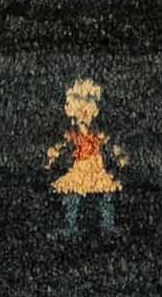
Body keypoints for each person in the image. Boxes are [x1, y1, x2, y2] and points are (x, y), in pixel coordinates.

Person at [46, 78, 126, 237]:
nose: (84, 112)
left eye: (88, 104)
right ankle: (71, 225)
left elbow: (108, 143)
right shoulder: (73, 133)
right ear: (71, 109)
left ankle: (107, 224)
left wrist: (118, 155)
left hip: (96, 167)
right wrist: (53, 155)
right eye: (79, 106)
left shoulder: (97, 132)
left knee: (105, 196)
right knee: (72, 196)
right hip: (79, 168)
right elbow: (62, 144)